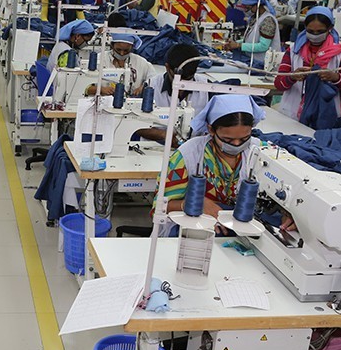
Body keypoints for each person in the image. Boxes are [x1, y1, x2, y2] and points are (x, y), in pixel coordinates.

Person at [152, 95, 271, 236]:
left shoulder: (262, 153)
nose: (237, 145)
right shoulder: (187, 155)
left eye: (245, 139)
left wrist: (291, 214)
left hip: (242, 234)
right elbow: (160, 207)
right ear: (211, 130)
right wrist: (193, 204)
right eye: (228, 139)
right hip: (193, 232)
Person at [275, 6, 341, 123]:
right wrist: (292, 77)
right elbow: (279, 84)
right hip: (292, 115)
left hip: (325, 116)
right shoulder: (294, 50)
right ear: (305, 28)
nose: (314, 35)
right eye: (310, 31)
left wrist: (336, 77)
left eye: (320, 32)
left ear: (330, 28)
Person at [139, 43, 210, 143]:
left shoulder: (207, 88)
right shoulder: (150, 87)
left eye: (188, 80)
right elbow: (136, 125)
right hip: (153, 147)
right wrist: (164, 135)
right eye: (178, 80)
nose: (182, 86)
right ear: (167, 68)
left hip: (194, 149)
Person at [224, 0, 281, 70]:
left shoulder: (268, 20)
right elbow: (250, 39)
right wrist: (234, 43)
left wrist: (239, 45)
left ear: (257, 5)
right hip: (253, 61)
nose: (246, 11)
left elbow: (263, 46)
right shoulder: (255, 18)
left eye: (248, 8)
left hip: (263, 64)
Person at [85, 34, 159, 96]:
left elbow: (155, 80)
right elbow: (84, 87)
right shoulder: (99, 59)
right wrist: (100, 90)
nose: (122, 53)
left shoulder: (141, 62)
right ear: (112, 45)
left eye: (126, 50)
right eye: (118, 50)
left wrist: (143, 87)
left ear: (132, 48)